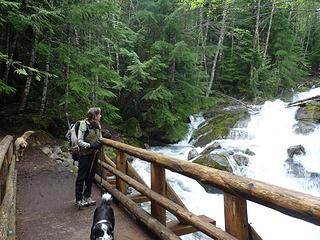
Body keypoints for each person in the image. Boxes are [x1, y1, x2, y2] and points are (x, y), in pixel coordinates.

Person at [75, 107, 103, 209]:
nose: (100, 116)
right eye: (99, 114)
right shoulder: (83, 125)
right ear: (94, 116)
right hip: (84, 154)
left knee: (91, 176)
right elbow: (79, 141)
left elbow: (100, 138)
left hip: (94, 154)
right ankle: (79, 199)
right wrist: (91, 146)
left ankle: (87, 196)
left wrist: (99, 143)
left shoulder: (98, 125)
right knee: (82, 176)